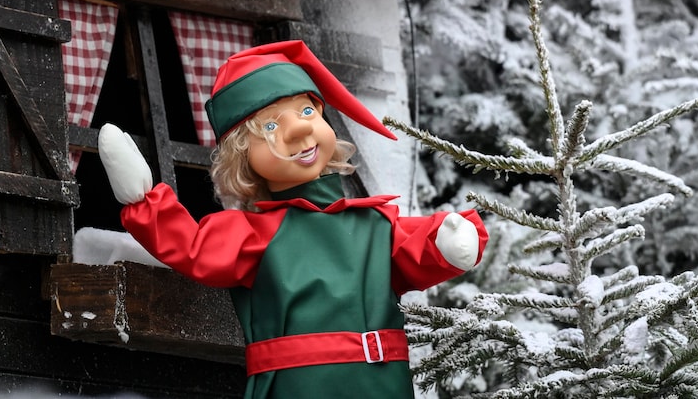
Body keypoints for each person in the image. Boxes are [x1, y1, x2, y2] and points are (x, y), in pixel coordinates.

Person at [98, 40, 487, 399]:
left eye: (305, 111)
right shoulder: (253, 233)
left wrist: (451, 241)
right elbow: (192, 246)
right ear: (243, 157)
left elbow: (417, 246)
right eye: (269, 126)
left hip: (383, 384)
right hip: (296, 386)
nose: (298, 128)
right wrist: (144, 201)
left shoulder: (376, 225)